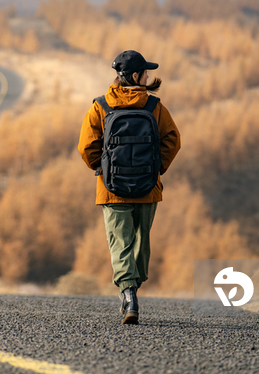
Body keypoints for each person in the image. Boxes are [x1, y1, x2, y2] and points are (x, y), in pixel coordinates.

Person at [78, 50, 181, 325]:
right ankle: (134, 287)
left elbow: (86, 146)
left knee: (119, 243)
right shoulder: (154, 107)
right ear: (135, 76)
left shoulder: (100, 106)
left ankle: (128, 293)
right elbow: (173, 139)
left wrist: (102, 170)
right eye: (145, 72)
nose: (148, 76)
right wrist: (157, 168)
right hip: (148, 187)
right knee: (140, 241)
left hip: (112, 189)